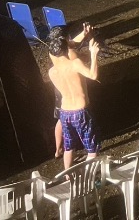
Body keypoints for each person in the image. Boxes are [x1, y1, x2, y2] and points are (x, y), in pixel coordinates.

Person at [47, 24, 101, 170]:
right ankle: (89, 178)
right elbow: (93, 75)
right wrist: (93, 54)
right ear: (66, 47)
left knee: (69, 147)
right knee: (92, 148)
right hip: (81, 111)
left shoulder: (52, 72)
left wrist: (84, 34)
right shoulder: (75, 64)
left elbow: (69, 45)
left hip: (65, 112)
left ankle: (67, 176)